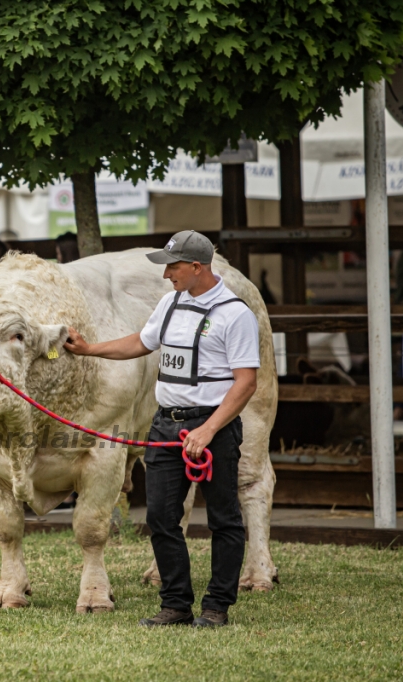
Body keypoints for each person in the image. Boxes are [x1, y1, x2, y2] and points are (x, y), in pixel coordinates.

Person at [64, 230, 259, 628]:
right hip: (166, 423)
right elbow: (141, 342)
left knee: (223, 519)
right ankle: (175, 604)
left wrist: (208, 431)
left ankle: (216, 607)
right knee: (161, 517)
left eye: (173, 265)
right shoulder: (170, 302)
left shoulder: (234, 313)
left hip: (212, 427)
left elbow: (245, 383)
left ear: (197, 267)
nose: (166, 273)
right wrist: (89, 349)